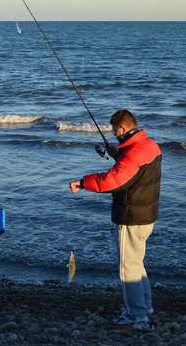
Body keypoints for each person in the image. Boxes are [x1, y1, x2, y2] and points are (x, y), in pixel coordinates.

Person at [69, 109, 162, 331]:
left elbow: (113, 180)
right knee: (137, 263)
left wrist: (83, 183)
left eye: (114, 131)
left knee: (127, 268)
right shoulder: (150, 145)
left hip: (131, 217)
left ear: (121, 128)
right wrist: (114, 151)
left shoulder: (134, 153)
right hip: (146, 216)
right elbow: (132, 167)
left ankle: (135, 316)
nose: (114, 134)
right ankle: (145, 306)